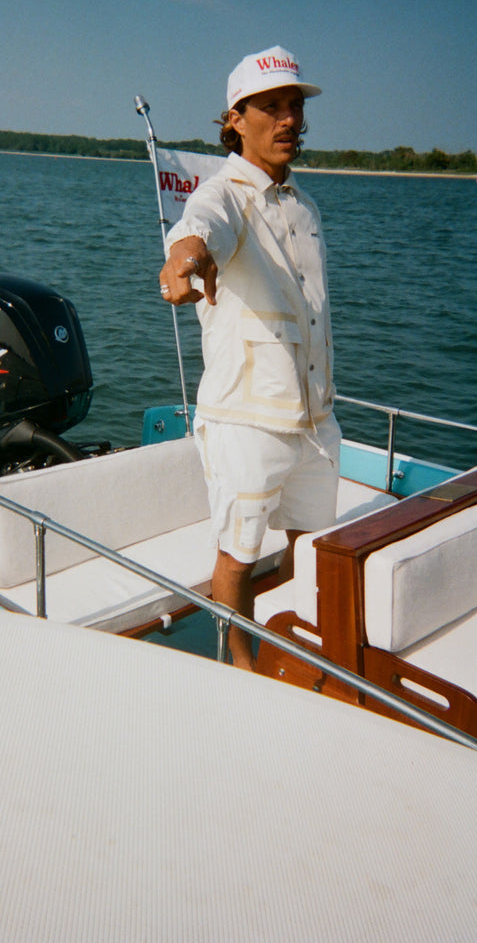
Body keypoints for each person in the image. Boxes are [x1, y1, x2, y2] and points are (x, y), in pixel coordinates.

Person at [159, 45, 340, 670]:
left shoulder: (304, 206)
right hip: (247, 422)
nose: (288, 119)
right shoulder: (225, 196)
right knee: (237, 556)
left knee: (310, 550)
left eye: (294, 105)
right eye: (270, 107)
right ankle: (238, 666)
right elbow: (197, 231)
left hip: (315, 421)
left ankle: (291, 651)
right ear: (235, 119)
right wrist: (185, 262)